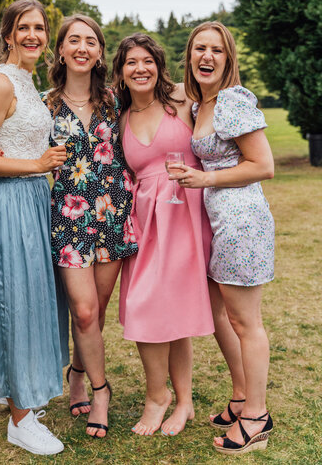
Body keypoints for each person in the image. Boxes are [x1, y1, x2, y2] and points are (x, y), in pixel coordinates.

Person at [0, 0, 68, 456]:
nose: (32, 35)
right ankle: (20, 422)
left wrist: (34, 165)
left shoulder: (30, 84)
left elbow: (9, 142)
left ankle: (22, 394)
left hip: (35, 202)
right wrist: (36, 163)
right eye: (23, 27)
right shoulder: (1, 83)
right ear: (8, 33)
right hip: (10, 204)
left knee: (33, 301)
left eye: (40, 28)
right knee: (13, 302)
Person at [169, 21, 274, 454]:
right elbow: (160, 85)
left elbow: (263, 164)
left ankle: (257, 416)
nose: (206, 57)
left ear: (228, 58)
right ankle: (238, 397)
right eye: (198, 49)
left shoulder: (232, 101)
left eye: (215, 50)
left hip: (242, 222)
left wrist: (204, 177)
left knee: (247, 323)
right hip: (216, 223)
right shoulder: (200, 103)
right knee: (218, 317)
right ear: (190, 56)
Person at [112, 33, 214, 437]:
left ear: (159, 65)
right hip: (145, 221)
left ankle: (181, 401)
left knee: (175, 311)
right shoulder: (120, 118)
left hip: (185, 215)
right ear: (121, 71)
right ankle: (159, 395)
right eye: (132, 62)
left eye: (148, 61)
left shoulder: (180, 101)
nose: (141, 69)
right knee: (143, 305)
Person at [41, 14, 138, 438]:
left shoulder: (118, 100)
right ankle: (101, 390)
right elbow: (15, 144)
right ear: (60, 49)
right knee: (83, 311)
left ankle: (77, 372)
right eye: (73, 40)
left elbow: (169, 103)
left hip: (113, 216)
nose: (82, 47)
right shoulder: (43, 105)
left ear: (100, 51)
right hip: (68, 219)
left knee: (94, 315)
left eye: (91, 41)